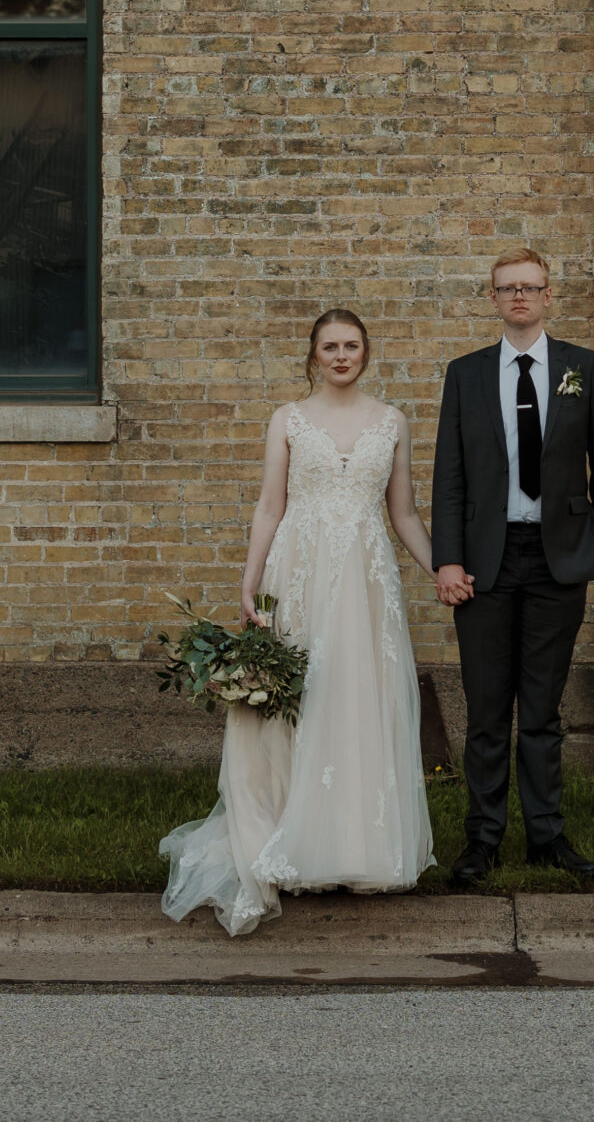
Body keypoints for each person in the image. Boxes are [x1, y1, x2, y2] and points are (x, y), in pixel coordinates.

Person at [160, 309, 439, 935]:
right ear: (313, 355)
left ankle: (355, 848)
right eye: (330, 347)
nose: (342, 356)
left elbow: (405, 515)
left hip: (367, 581)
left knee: (358, 701)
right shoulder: (287, 420)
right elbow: (269, 505)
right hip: (301, 574)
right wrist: (249, 580)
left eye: (352, 346)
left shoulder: (392, 422)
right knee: (296, 704)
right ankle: (288, 834)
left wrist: (443, 567)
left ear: (367, 352)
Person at [430, 247, 594, 886]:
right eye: (507, 288)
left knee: (541, 709)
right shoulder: (466, 375)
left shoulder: (583, 369)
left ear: (548, 296)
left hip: (556, 558)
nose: (519, 297)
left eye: (530, 287)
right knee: (487, 711)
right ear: (492, 299)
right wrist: (447, 559)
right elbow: (449, 478)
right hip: (485, 561)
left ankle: (546, 835)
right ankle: (481, 841)